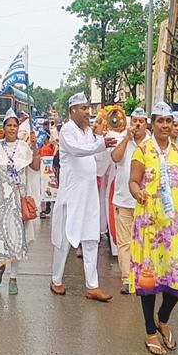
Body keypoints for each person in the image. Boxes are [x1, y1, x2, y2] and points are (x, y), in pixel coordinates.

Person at [128, 102, 178, 355]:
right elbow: (133, 182)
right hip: (149, 224)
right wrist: (139, 193)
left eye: (169, 121)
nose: (165, 126)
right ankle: (149, 331)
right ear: (152, 123)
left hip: (173, 226)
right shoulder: (142, 151)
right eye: (160, 121)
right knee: (149, 280)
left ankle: (163, 318)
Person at [50, 92, 116, 302]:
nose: (88, 112)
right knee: (65, 238)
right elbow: (78, 151)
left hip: (89, 194)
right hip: (72, 194)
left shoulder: (89, 132)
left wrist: (106, 146)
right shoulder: (67, 131)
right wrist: (100, 144)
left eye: (88, 108)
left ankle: (92, 286)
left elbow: (97, 157)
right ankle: (56, 280)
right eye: (83, 108)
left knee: (90, 238)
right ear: (72, 111)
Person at [0, 108, 41, 295]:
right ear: (4, 127)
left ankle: (13, 278)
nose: (12, 128)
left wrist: (35, 146)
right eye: (9, 125)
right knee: (2, 237)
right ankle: (0, 267)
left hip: (20, 198)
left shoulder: (24, 147)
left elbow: (36, 166)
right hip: (2, 200)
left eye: (15, 125)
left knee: (18, 238)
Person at [110, 107, 149, 295]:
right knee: (124, 243)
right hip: (123, 200)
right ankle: (127, 279)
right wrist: (127, 139)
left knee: (144, 241)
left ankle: (143, 277)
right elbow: (115, 158)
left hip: (144, 201)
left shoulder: (152, 144)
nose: (138, 125)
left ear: (147, 124)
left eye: (141, 121)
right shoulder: (122, 140)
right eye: (135, 121)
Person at [38, 136, 56, 219]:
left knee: (49, 188)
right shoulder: (40, 145)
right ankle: (43, 210)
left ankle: (48, 206)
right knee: (42, 190)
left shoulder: (52, 145)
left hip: (49, 170)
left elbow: (55, 153)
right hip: (41, 170)